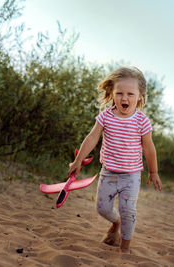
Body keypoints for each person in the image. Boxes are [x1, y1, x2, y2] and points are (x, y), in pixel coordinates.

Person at [68, 66, 162, 253]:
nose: (124, 98)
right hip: (108, 173)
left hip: (131, 176)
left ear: (140, 96)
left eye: (130, 94)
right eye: (119, 93)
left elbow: (149, 148)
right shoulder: (106, 117)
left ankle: (124, 249)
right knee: (102, 208)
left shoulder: (142, 121)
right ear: (112, 93)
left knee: (128, 210)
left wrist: (153, 171)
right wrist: (78, 160)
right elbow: (92, 137)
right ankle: (115, 223)